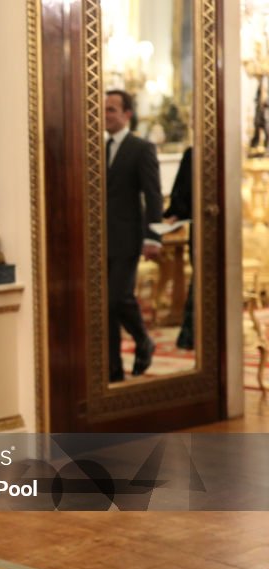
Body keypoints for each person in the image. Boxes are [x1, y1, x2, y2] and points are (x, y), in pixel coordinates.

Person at [105, 89, 163, 382]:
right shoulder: (95, 148)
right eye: (103, 110)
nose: (106, 115)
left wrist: (154, 237)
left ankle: (144, 340)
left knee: (118, 298)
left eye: (112, 110)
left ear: (127, 114)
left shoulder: (141, 148)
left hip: (128, 239)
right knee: (103, 307)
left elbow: (153, 196)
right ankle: (113, 370)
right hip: (98, 242)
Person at [163, 147, 194, 350]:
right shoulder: (192, 154)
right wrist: (175, 213)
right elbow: (182, 191)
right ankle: (191, 334)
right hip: (200, 230)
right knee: (200, 282)